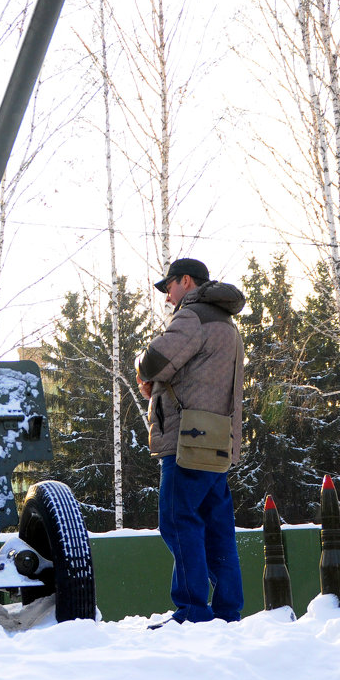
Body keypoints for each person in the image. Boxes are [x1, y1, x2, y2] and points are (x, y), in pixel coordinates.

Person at [135, 257, 246, 625]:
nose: (167, 295)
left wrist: (145, 372)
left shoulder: (191, 316)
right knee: (217, 527)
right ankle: (228, 609)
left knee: (178, 521)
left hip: (187, 441)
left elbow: (154, 361)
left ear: (186, 281)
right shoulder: (227, 324)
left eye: (169, 286)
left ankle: (192, 610)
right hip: (219, 439)